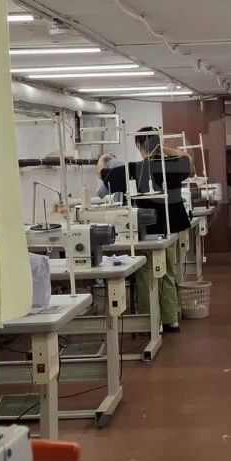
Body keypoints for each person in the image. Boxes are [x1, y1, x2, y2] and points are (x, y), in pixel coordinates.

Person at [97, 128, 192, 332]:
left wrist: (102, 159)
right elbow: (186, 157)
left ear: (138, 145)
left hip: (148, 230)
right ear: (158, 144)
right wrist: (162, 148)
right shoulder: (174, 165)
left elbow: (103, 175)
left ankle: (152, 322)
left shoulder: (134, 168)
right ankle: (171, 319)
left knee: (146, 275)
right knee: (168, 272)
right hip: (172, 228)